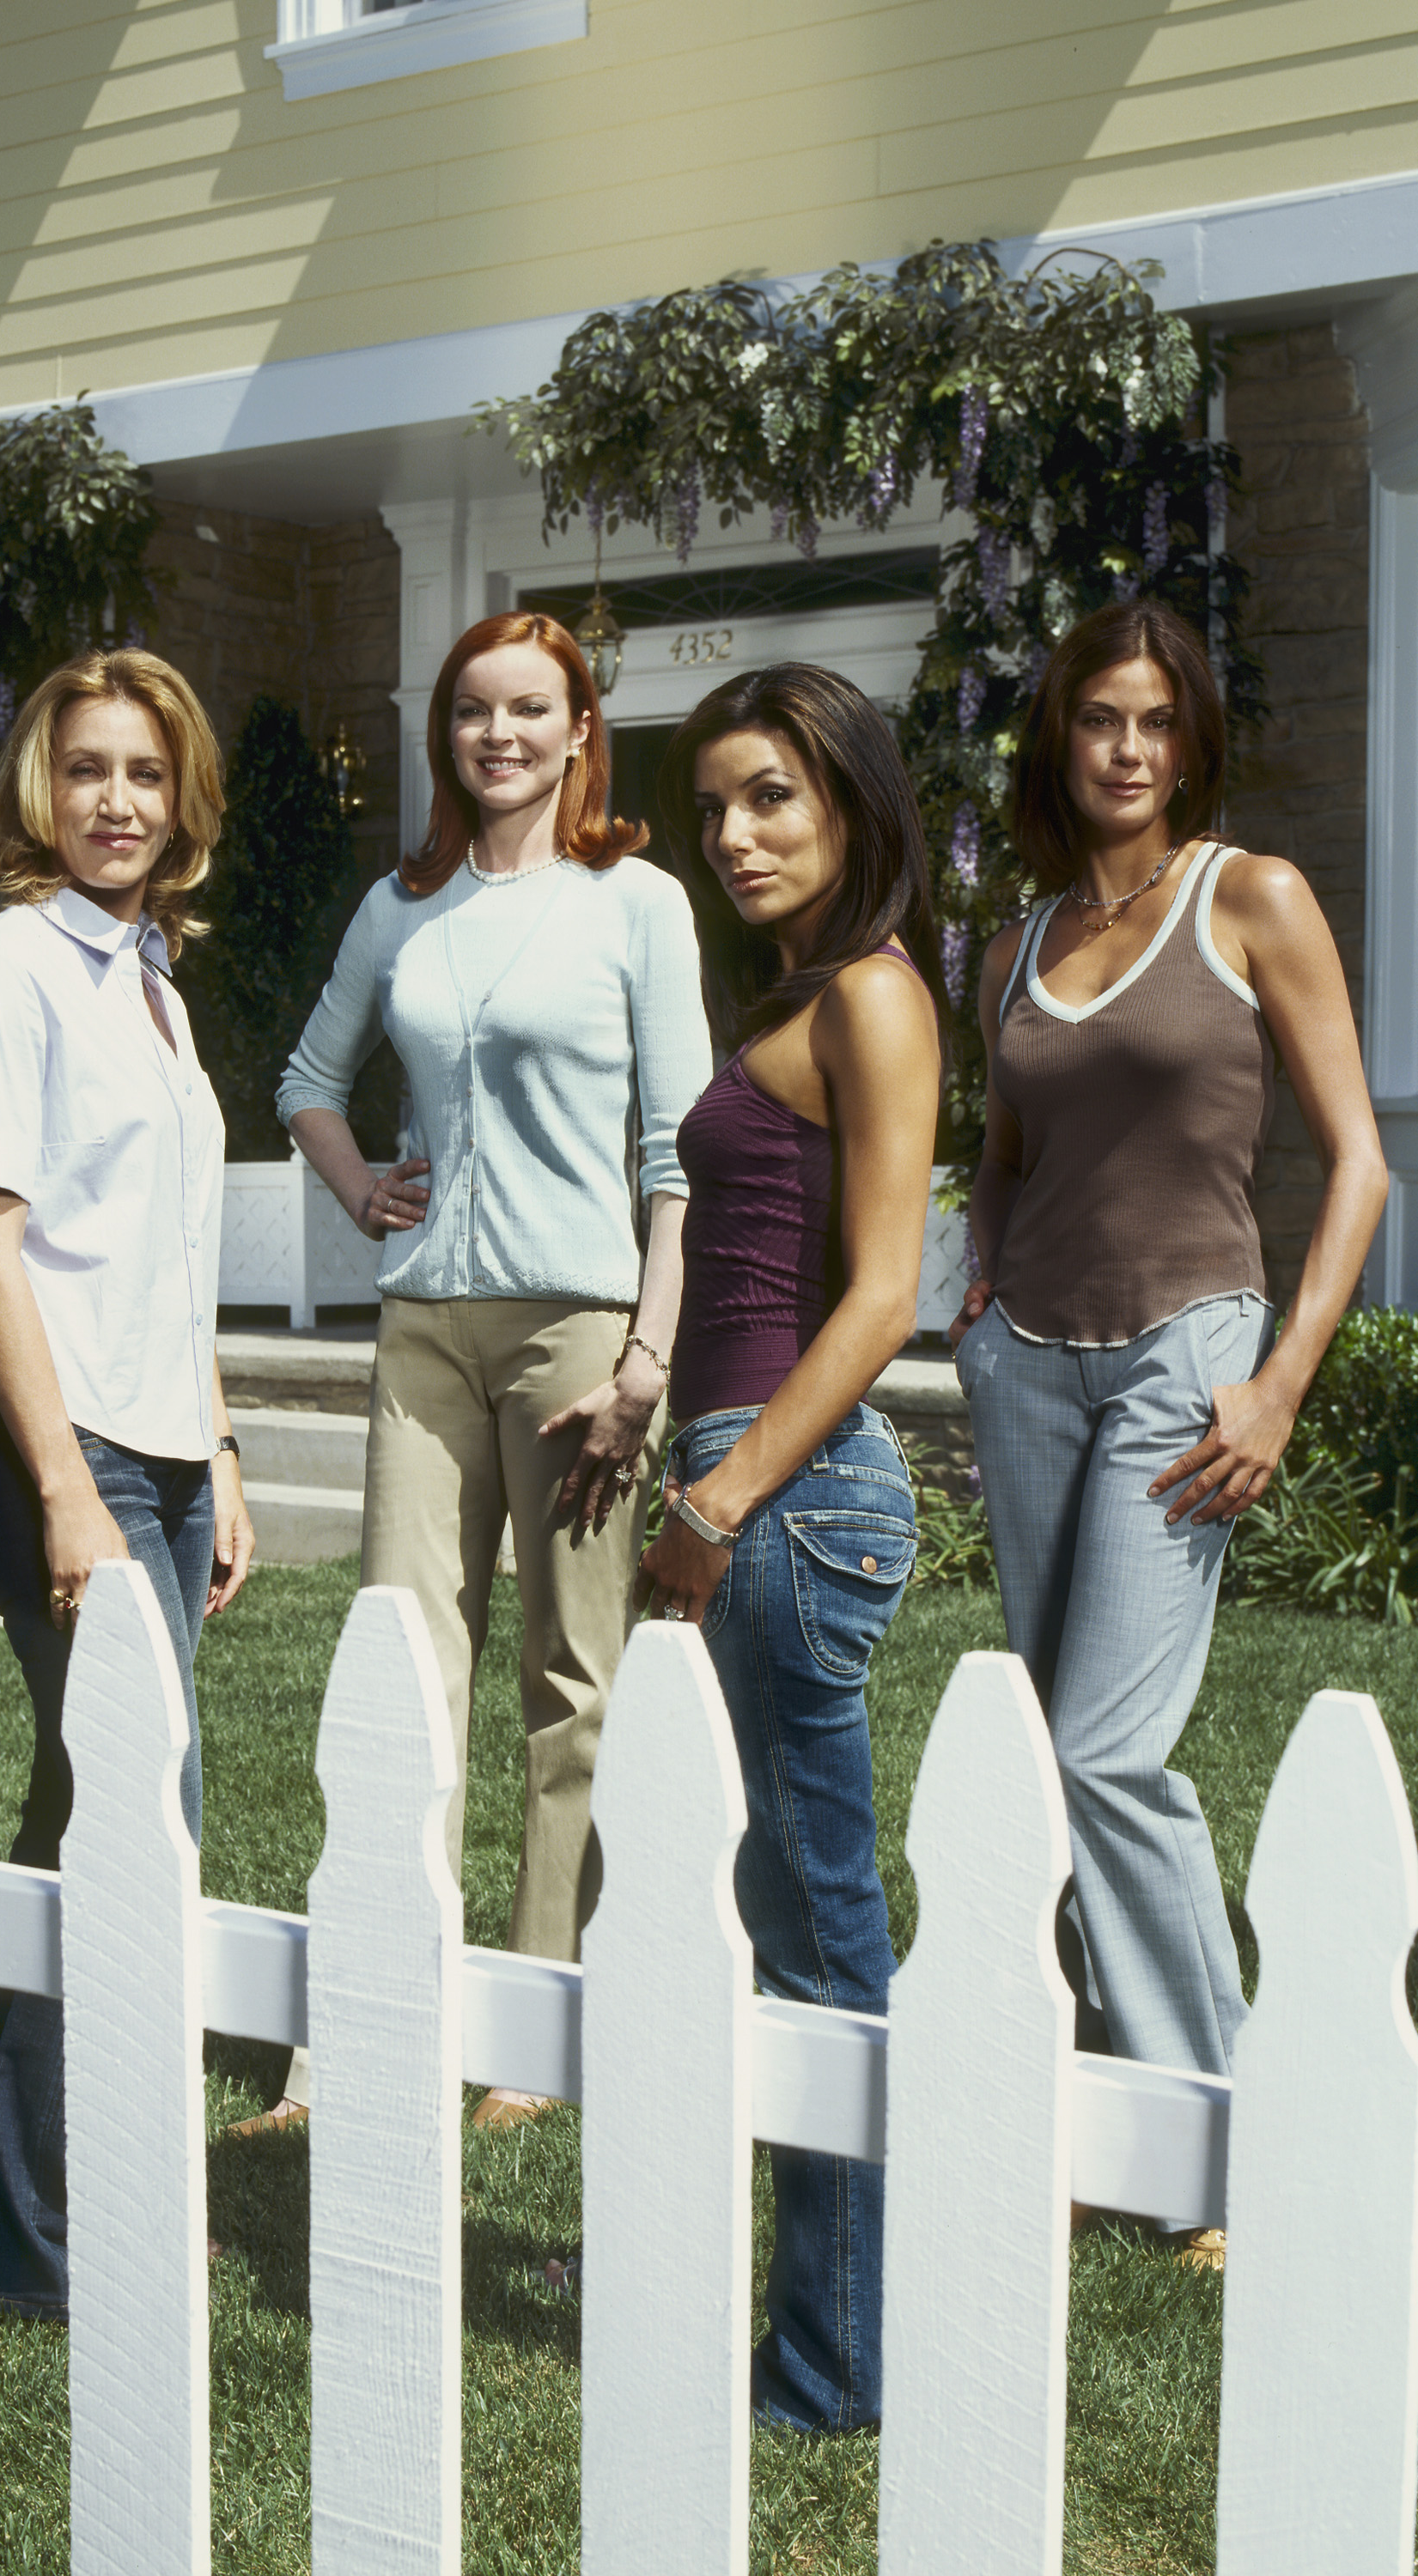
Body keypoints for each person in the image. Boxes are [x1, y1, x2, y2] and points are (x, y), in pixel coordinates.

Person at [950, 601, 1387, 2215]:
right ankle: (1102, 2095)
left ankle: (1227, 2129)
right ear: (1058, 739)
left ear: (1187, 738)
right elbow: (1001, 1148)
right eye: (1097, 721)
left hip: (1181, 1358)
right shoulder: (1017, 942)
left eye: (1154, 722)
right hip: (1027, 1367)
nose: (1126, 750)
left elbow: (1358, 1160)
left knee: (1105, 1753)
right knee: (1045, 1751)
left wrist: (1273, 1384)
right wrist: (981, 1279)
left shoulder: (1248, 897)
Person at [257, 608, 710, 2132]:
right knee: (398, 1671)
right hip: (424, 1330)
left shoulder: (635, 901)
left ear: (582, 728)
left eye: (530, 709)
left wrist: (647, 1355)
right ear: (445, 734)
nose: (499, 735)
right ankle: (362, 2028)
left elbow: (678, 1152)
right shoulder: (405, 907)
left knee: (570, 1683)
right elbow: (307, 1081)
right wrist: (359, 1186)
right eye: (472, 712)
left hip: (577, 1331)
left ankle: (534, 2028)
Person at [0, 646, 256, 2319]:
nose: (116, 800)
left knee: (87, 1818)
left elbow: (159, 1258)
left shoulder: (149, 980)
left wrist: (224, 1455)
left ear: (181, 798)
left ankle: (33, 2228)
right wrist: (64, 1492)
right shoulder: (2, 972)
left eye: (145, 771)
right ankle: (70, 2239)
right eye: (86, 769)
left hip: (160, 1441)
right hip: (56, 1448)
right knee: (140, 1813)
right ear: (34, 790)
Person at [635, 663, 943, 2434]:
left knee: (826, 1938)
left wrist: (724, 1493)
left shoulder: (880, 999)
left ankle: (832, 2366)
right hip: (744, 1477)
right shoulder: (811, 994)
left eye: (775, 799)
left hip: (790, 1501)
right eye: (720, 805)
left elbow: (888, 1293)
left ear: (853, 805)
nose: (735, 834)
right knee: (781, 1916)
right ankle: (817, 2328)